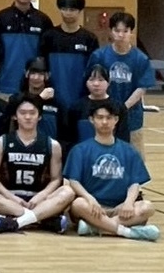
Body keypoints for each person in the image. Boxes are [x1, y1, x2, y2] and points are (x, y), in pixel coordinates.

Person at [64, 100, 159, 241]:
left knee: (147, 207)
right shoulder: (79, 150)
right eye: (100, 117)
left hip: (120, 208)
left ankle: (96, 228)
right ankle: (126, 231)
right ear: (91, 120)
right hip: (92, 207)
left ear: (116, 120)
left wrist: (128, 203)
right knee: (78, 204)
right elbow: (74, 181)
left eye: (109, 118)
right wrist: (90, 198)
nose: (104, 122)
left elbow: (134, 183)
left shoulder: (129, 150)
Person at [0, 95, 75, 234]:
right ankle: (42, 218)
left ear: (39, 116)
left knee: (68, 191)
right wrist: (11, 197)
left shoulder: (52, 145)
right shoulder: (2, 142)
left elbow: (56, 179)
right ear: (15, 116)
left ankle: (15, 222)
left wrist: (41, 196)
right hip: (10, 199)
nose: (28, 117)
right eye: (23, 113)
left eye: (32, 113)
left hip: (39, 199)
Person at [86, 12, 154, 157]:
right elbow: (92, 81)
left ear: (131, 32)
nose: (121, 35)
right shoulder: (99, 56)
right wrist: (106, 106)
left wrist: (123, 108)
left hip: (131, 117)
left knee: (134, 156)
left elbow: (142, 87)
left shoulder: (141, 59)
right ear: (111, 31)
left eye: (125, 31)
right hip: (104, 114)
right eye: (117, 30)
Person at [0, 0, 52, 98]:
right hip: (4, 88)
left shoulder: (43, 20)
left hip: (35, 91)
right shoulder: (0, 19)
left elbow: (46, 57)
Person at [40, 0, 98, 113]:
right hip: (53, 99)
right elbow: (43, 67)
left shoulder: (89, 39)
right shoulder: (49, 36)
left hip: (81, 99)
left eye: (72, 9)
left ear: (80, 11)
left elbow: (93, 70)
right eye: (64, 9)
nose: (68, 13)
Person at [70, 65, 129, 144]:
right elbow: (69, 137)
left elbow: (123, 137)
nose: (96, 84)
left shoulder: (119, 107)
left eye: (101, 80)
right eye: (91, 80)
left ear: (108, 82)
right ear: (86, 82)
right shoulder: (76, 107)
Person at [9, 57, 63, 141]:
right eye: (33, 73)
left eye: (41, 74)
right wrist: (40, 98)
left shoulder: (57, 103)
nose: (36, 77)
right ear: (26, 74)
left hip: (48, 146)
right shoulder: (16, 100)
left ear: (47, 75)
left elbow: (64, 134)